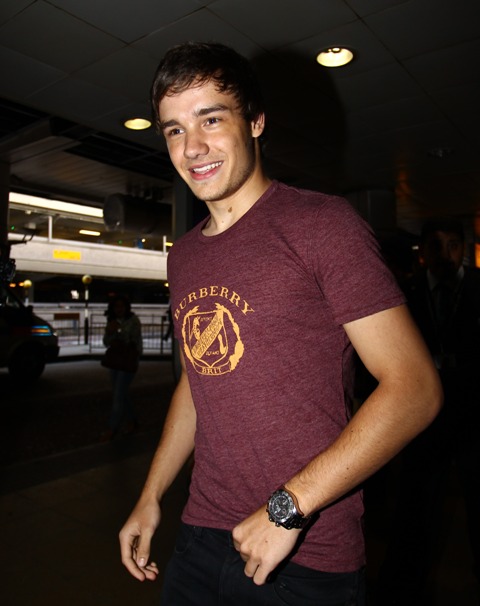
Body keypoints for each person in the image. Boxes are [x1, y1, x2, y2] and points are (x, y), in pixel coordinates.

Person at [119, 41, 442, 605]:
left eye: (211, 119)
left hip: (304, 550)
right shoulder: (184, 256)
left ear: (256, 121)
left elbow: (415, 389)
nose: (192, 147)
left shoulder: (322, 226)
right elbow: (198, 381)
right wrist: (151, 495)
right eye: (174, 130)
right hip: (200, 535)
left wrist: (286, 508)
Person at [375, 219, 480, 604]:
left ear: (463, 249)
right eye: (436, 246)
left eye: (453, 246)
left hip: (474, 417)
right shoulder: (408, 294)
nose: (445, 255)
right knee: (416, 509)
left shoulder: (477, 288)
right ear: (423, 253)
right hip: (424, 422)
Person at [101, 294, 143, 440]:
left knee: (118, 395)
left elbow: (133, 339)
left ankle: (112, 427)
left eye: (122, 306)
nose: (119, 309)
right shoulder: (112, 321)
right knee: (121, 393)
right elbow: (106, 341)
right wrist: (110, 332)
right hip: (115, 361)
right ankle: (132, 421)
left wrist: (118, 331)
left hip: (127, 360)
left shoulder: (133, 321)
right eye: (116, 306)